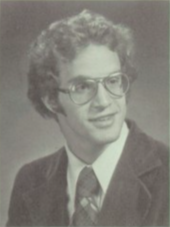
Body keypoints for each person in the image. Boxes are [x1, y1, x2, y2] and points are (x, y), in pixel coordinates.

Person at [7, 10, 169, 226]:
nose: (103, 101)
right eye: (82, 87)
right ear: (51, 100)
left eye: (113, 81)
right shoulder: (30, 181)